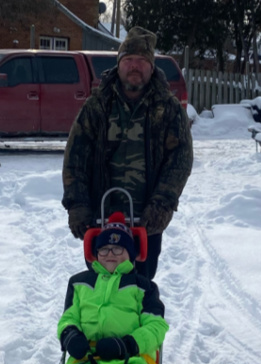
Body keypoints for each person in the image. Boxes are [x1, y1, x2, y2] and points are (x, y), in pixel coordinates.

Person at [62, 26, 193, 280]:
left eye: (142, 61)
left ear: (152, 66)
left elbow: (180, 160)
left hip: (146, 220)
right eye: (129, 60)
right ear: (119, 64)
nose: (135, 66)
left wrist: (162, 203)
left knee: (141, 287)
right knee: (101, 287)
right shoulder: (97, 106)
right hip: (101, 218)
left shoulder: (168, 108)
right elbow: (75, 157)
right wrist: (77, 204)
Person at [25, 212, 169, 364]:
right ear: (95, 254)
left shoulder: (144, 287)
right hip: (87, 356)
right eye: (104, 250)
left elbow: (156, 326)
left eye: (118, 249)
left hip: (127, 357)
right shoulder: (79, 283)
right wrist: (70, 336)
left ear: (131, 254)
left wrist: (129, 344)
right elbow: (68, 318)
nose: (110, 254)